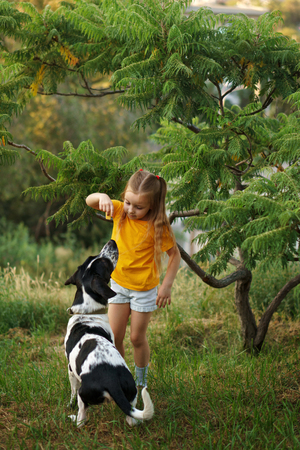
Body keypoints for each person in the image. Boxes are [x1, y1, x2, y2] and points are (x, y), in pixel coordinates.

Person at [86, 169, 181, 388]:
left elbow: (175, 255)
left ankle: (141, 383)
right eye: (128, 202)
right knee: (114, 337)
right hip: (118, 285)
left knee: (137, 338)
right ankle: (122, 378)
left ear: (153, 205)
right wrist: (102, 197)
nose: (131, 210)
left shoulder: (158, 225)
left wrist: (166, 286)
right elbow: (89, 200)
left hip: (144, 290)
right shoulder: (119, 211)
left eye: (139, 207)